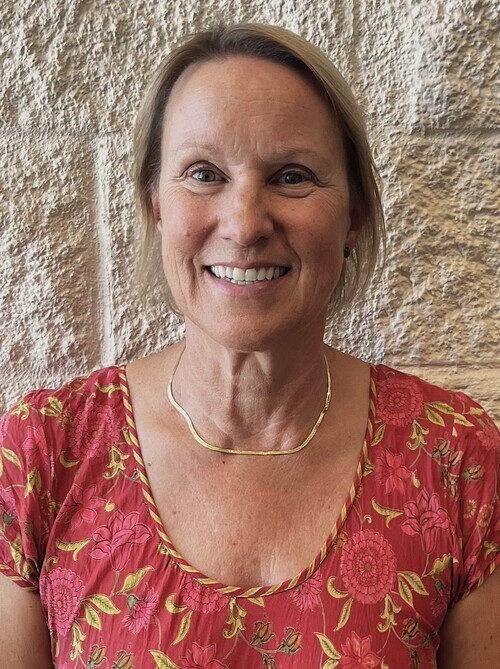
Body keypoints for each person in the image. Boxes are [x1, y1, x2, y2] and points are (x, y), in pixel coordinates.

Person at [0, 22, 498, 669]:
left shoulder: (455, 459)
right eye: (204, 173)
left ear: (353, 216)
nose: (243, 224)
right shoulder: (45, 454)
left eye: (291, 176)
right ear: (156, 205)